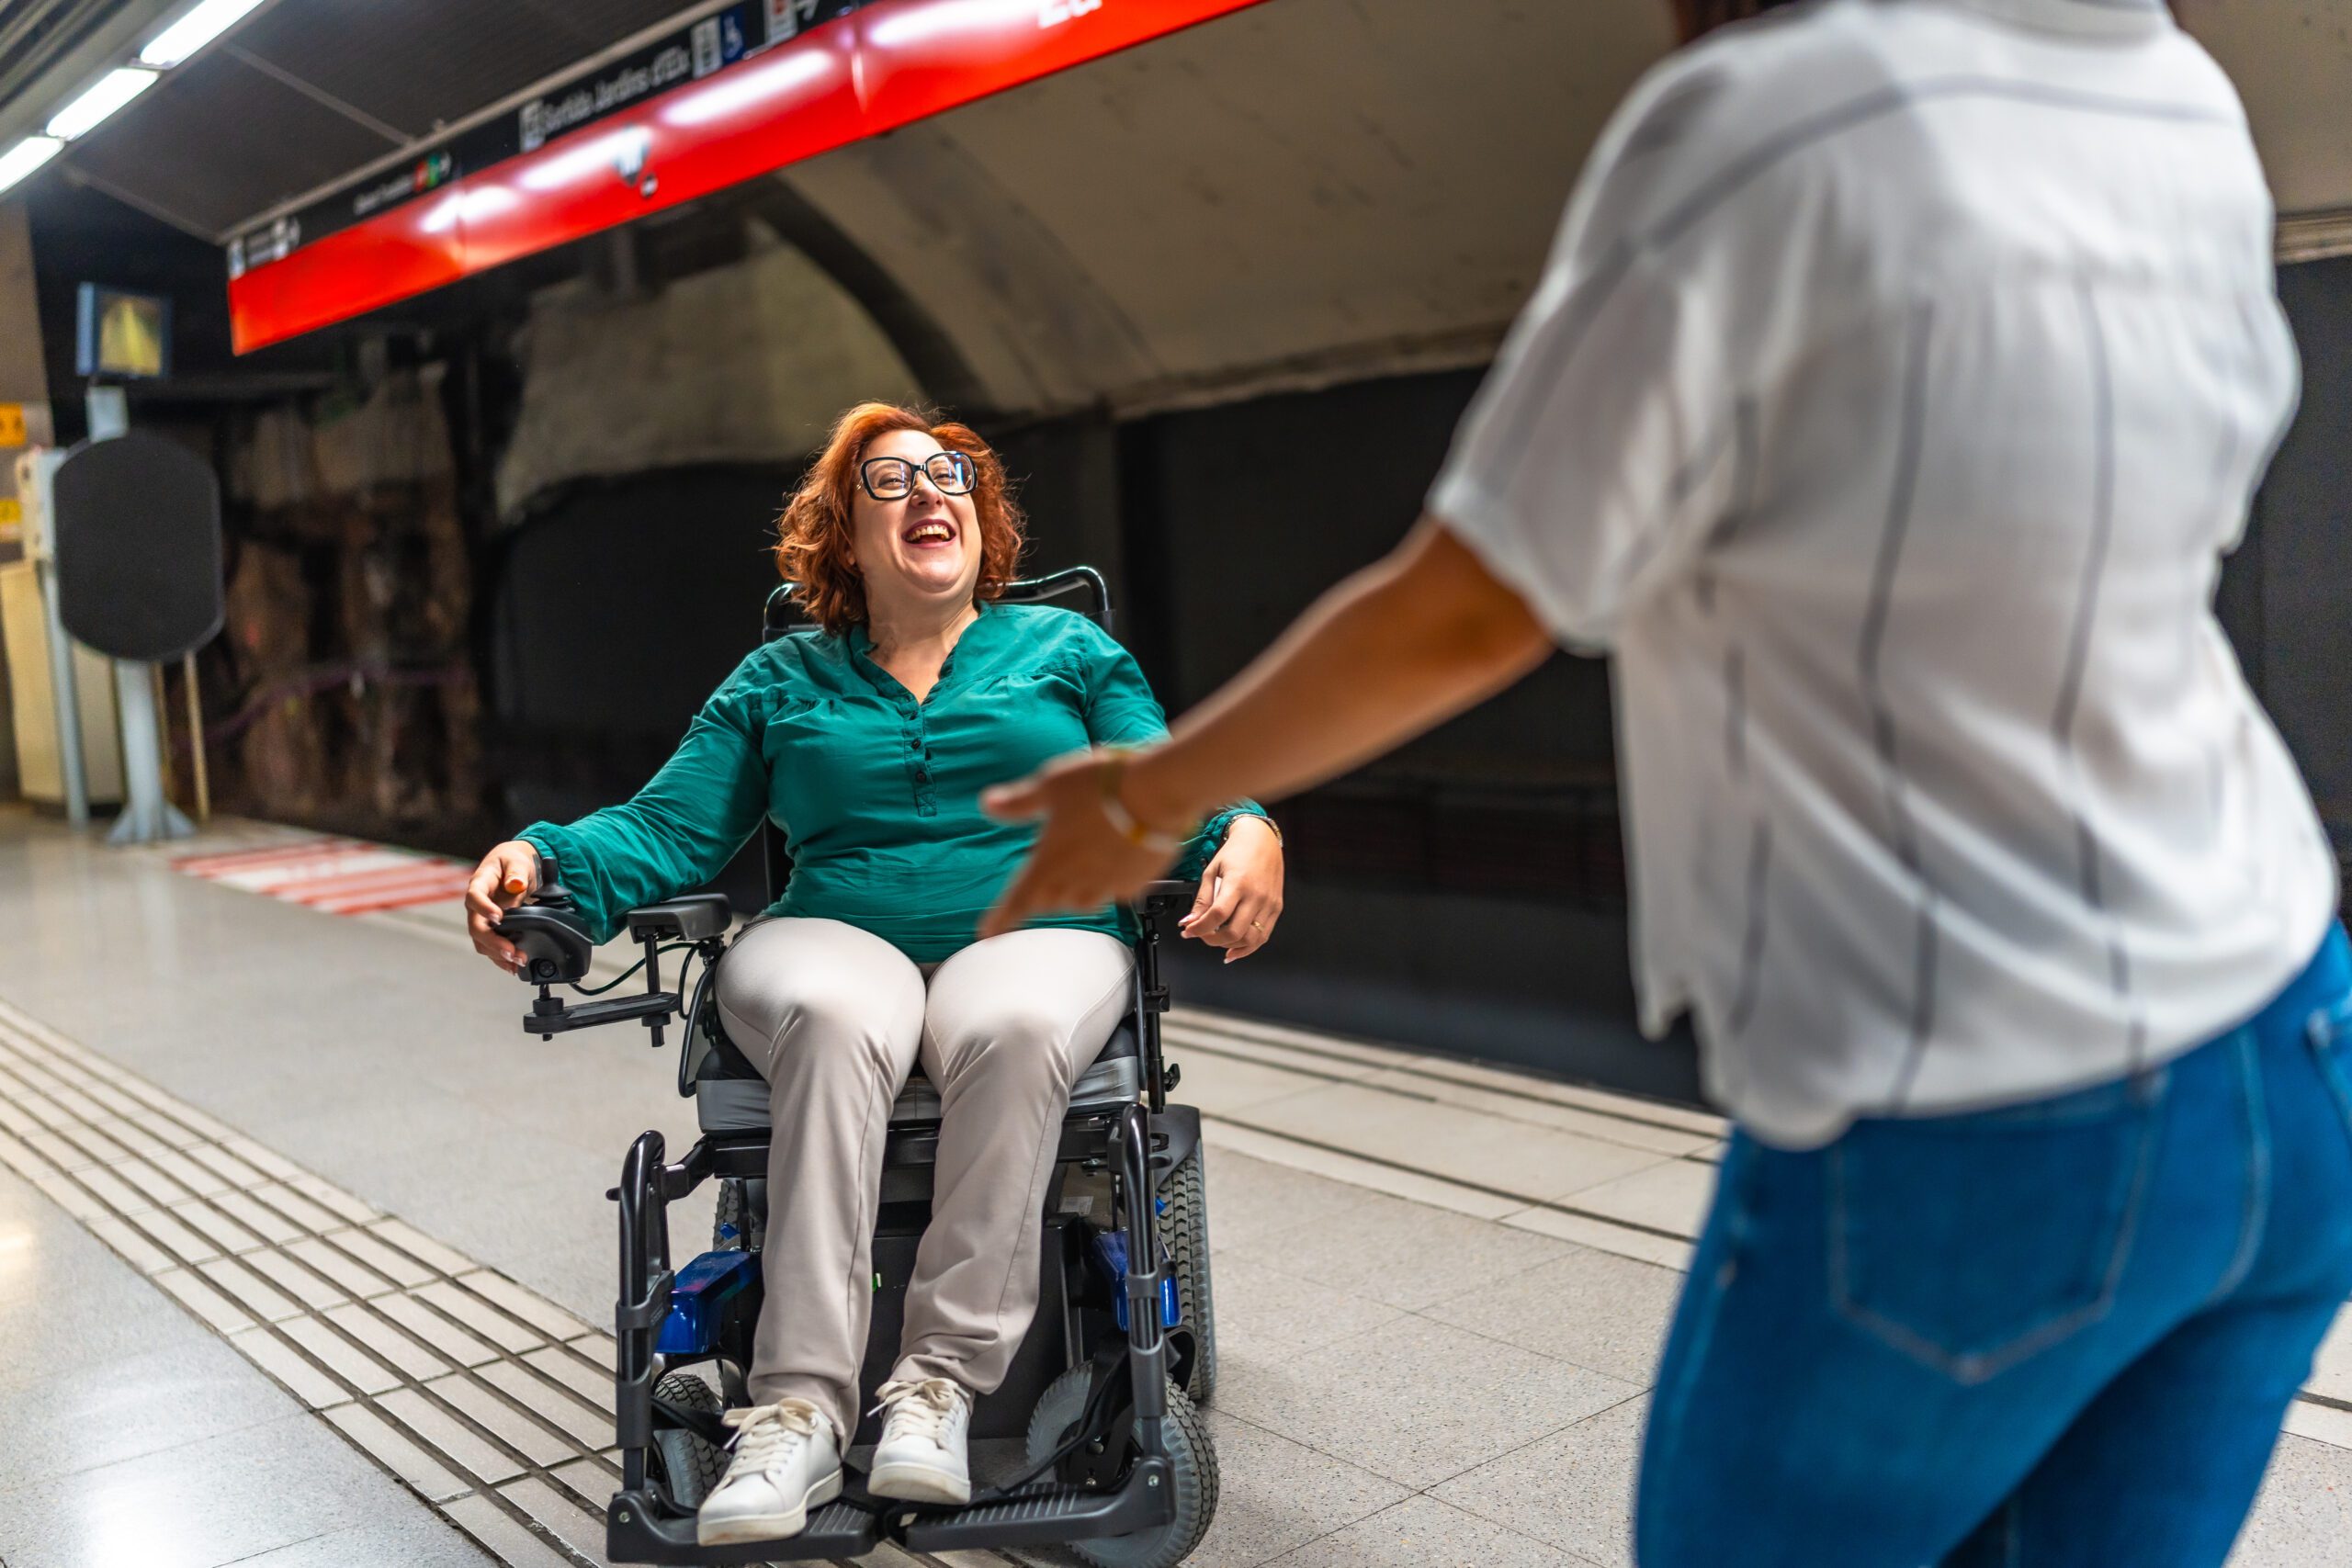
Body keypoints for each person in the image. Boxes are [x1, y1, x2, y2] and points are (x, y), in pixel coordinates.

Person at [982, 2, 2352, 1563]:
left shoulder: (1764, 122)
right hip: (2290, 1045)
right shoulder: (2175, 92)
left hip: (1975, 1101)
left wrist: (1160, 793)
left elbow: (1474, 600)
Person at [463, 402, 1283, 1545]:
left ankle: (936, 1386)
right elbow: (666, 829)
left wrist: (1247, 830)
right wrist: (545, 858)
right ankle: (793, 1412)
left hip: (1035, 923)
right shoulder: (777, 679)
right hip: (834, 932)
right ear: (845, 535)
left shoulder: (1072, 656)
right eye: (889, 481)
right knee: (839, 1014)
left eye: (948, 474)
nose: (927, 492)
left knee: (1010, 1024)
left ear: (981, 521)